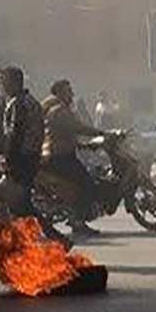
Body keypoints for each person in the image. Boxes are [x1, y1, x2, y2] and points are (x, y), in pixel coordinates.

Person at [40, 78, 102, 236]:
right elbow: (77, 128)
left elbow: (66, 135)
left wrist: (85, 145)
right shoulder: (60, 111)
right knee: (87, 183)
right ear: (60, 93)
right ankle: (78, 221)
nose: (72, 94)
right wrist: (102, 133)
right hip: (61, 157)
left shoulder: (56, 110)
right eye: (68, 91)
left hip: (59, 154)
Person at [0, 66, 51, 233]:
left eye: (3, 82)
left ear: (14, 83)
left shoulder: (19, 104)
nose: (1, 87)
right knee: (22, 204)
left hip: (22, 159)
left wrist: (8, 158)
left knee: (20, 204)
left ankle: (54, 237)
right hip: (30, 157)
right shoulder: (29, 101)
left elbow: (15, 134)